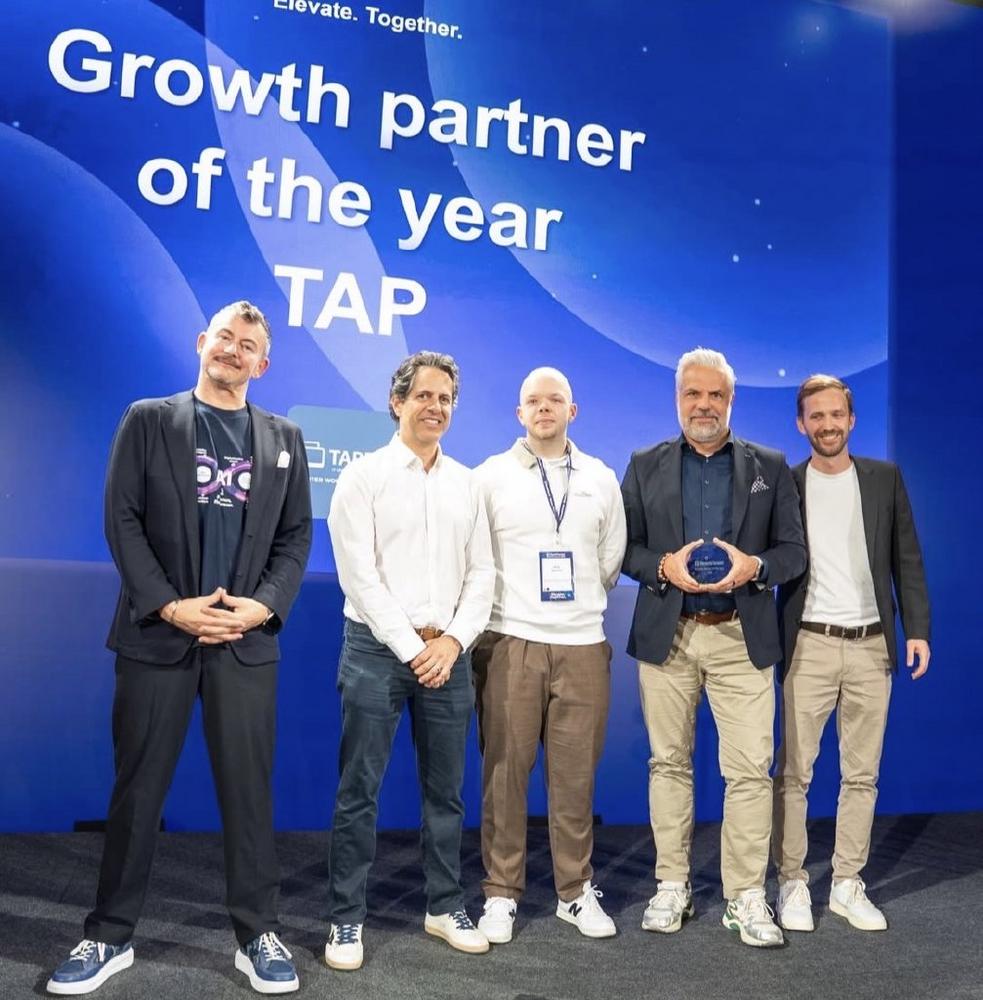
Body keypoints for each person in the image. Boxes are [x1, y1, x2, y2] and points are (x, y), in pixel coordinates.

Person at [47, 301, 313, 996]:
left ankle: (257, 933)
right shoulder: (148, 419)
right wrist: (170, 606)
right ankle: (109, 935)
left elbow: (295, 538)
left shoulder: (286, 437)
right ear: (201, 342)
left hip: (243, 643)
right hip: (158, 636)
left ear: (263, 363)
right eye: (224, 336)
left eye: (247, 344)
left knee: (248, 795)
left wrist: (263, 606)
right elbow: (122, 518)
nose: (232, 349)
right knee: (137, 792)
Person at [621, 347, 806, 948]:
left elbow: (793, 552)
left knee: (749, 770)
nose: (704, 405)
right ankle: (672, 884)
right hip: (669, 635)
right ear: (678, 399)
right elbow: (624, 549)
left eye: (716, 395)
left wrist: (754, 567)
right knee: (667, 764)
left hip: (740, 636)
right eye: (693, 394)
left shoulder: (769, 466)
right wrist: (663, 568)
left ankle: (746, 895)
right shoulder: (644, 464)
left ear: (731, 400)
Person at [324, 351, 494, 971]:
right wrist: (415, 648)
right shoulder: (362, 477)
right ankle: (346, 917)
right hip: (376, 651)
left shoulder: (468, 484)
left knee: (446, 794)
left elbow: (483, 575)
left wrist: (452, 643)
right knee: (359, 790)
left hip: (449, 655)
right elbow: (360, 578)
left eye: (445, 398)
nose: (435, 407)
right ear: (397, 402)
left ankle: (444, 905)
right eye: (424, 396)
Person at [471, 367, 627, 944]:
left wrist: (573, 606)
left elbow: (609, 560)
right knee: (504, 774)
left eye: (555, 400)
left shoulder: (600, 478)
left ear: (572, 411)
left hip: (582, 644)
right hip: (509, 640)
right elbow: (476, 559)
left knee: (575, 778)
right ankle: (500, 893)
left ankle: (575, 891)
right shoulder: (490, 477)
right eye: (533, 401)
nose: (544, 408)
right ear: (519, 414)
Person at [772, 374, 931, 933]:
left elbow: (907, 557)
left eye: (836, 414)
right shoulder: (787, 485)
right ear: (801, 424)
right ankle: (791, 881)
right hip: (809, 645)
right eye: (816, 416)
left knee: (861, 775)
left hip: (871, 648)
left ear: (852, 419)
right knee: (794, 774)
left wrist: (917, 630)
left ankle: (846, 882)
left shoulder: (885, 479)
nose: (828, 424)